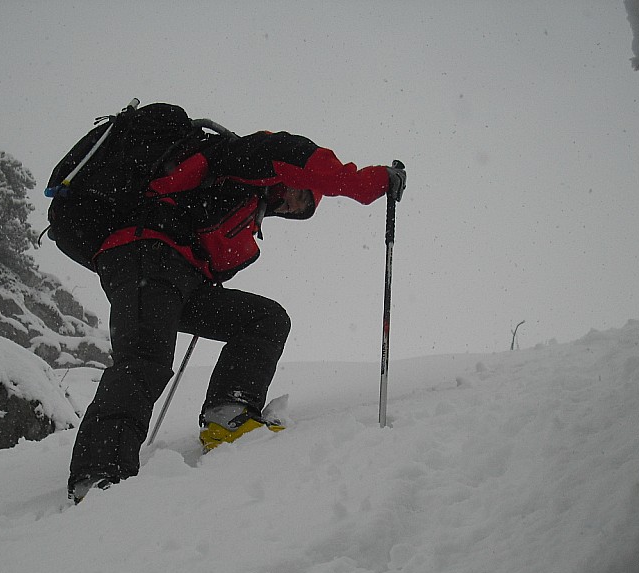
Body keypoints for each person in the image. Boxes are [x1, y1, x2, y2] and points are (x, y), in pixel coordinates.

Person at [68, 126, 406, 503]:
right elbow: (298, 157)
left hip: (179, 274)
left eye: (300, 210)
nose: (293, 206)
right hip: (144, 252)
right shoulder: (245, 156)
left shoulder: (242, 204)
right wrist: (370, 182)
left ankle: (228, 414)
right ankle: (98, 475)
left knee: (265, 319)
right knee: (145, 360)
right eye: (301, 195)